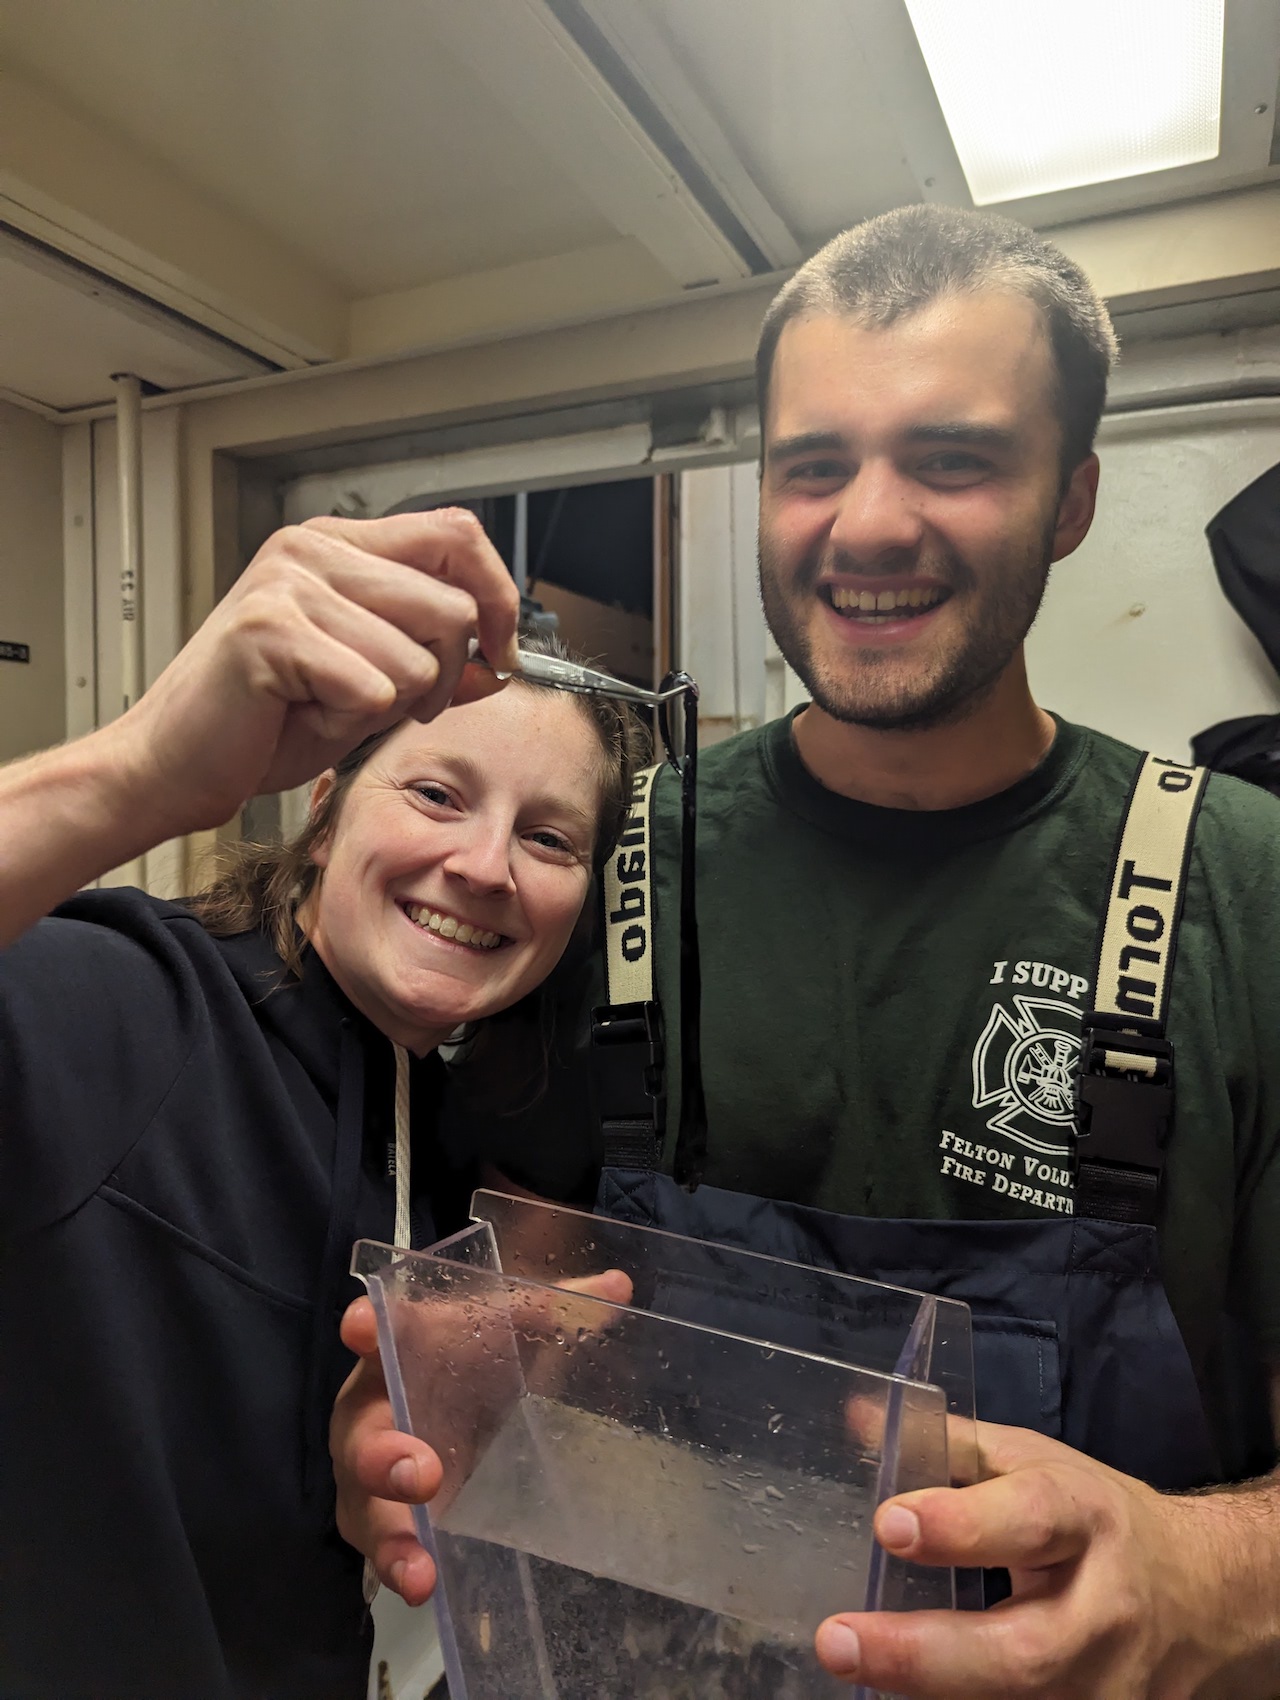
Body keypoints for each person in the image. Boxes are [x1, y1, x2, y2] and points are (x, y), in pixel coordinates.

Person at [337, 207, 1280, 1698]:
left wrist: (1209, 1572)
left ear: (1074, 497)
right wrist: (413, 1413)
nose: (870, 524)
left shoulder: (1247, 888)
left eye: (954, 459)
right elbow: (520, 1295)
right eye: (813, 465)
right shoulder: (606, 867)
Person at [0, 508, 642, 1700]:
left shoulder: (453, 1124)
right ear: (326, 800)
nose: (487, 864)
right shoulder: (132, 1008)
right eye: (440, 793)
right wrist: (136, 768)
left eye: (547, 835)